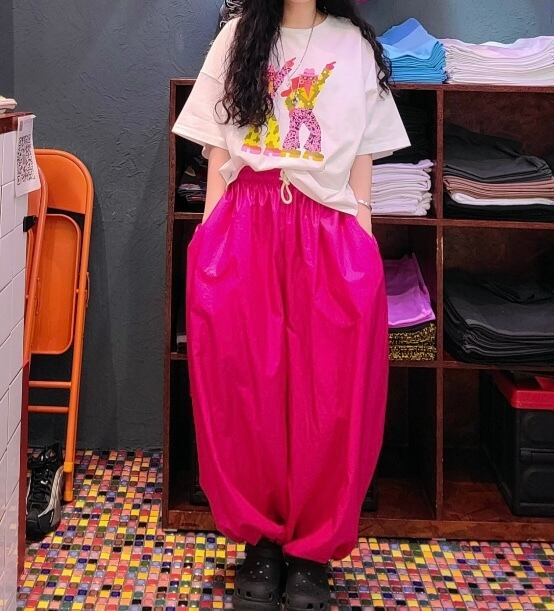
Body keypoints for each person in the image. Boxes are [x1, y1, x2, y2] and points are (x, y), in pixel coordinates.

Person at [173, 0, 409, 609]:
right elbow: (217, 149)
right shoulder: (236, 39)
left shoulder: (354, 46)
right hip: (246, 223)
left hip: (328, 229)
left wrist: (363, 236)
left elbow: (363, 156)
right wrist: (209, 236)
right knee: (245, 390)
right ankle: (262, 542)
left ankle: (311, 551)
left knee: (329, 396)